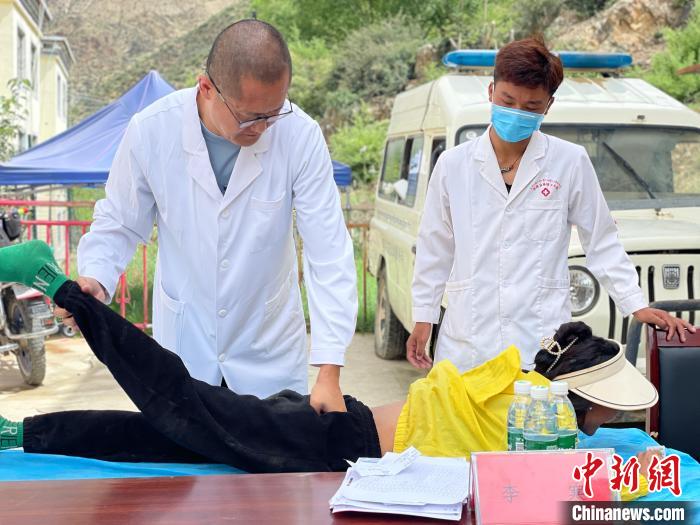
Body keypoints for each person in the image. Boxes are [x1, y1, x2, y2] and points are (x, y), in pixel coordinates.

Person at [0, 241, 661, 496]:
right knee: (175, 399)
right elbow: (580, 489)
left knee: (165, 437)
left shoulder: (519, 383)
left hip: (333, 430)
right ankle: (59, 285)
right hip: (334, 440)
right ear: (583, 394)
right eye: (609, 407)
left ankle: (22, 434)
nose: (612, 418)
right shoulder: (536, 417)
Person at [54, 20, 357, 413]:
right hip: (185, 349)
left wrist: (329, 371)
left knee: (271, 452)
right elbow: (120, 222)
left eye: (273, 113)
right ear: (207, 88)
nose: (262, 128)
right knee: (183, 450)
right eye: (249, 116)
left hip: (269, 353)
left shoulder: (299, 134)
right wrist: (96, 276)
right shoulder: (151, 131)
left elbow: (328, 251)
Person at [406, 37, 695, 372]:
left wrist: (635, 304)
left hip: (540, 341)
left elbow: (601, 240)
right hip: (469, 341)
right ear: (491, 91)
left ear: (548, 106)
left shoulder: (569, 162)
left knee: (538, 406)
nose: (517, 112)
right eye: (508, 100)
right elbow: (435, 247)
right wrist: (424, 317)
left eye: (531, 107)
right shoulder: (453, 165)